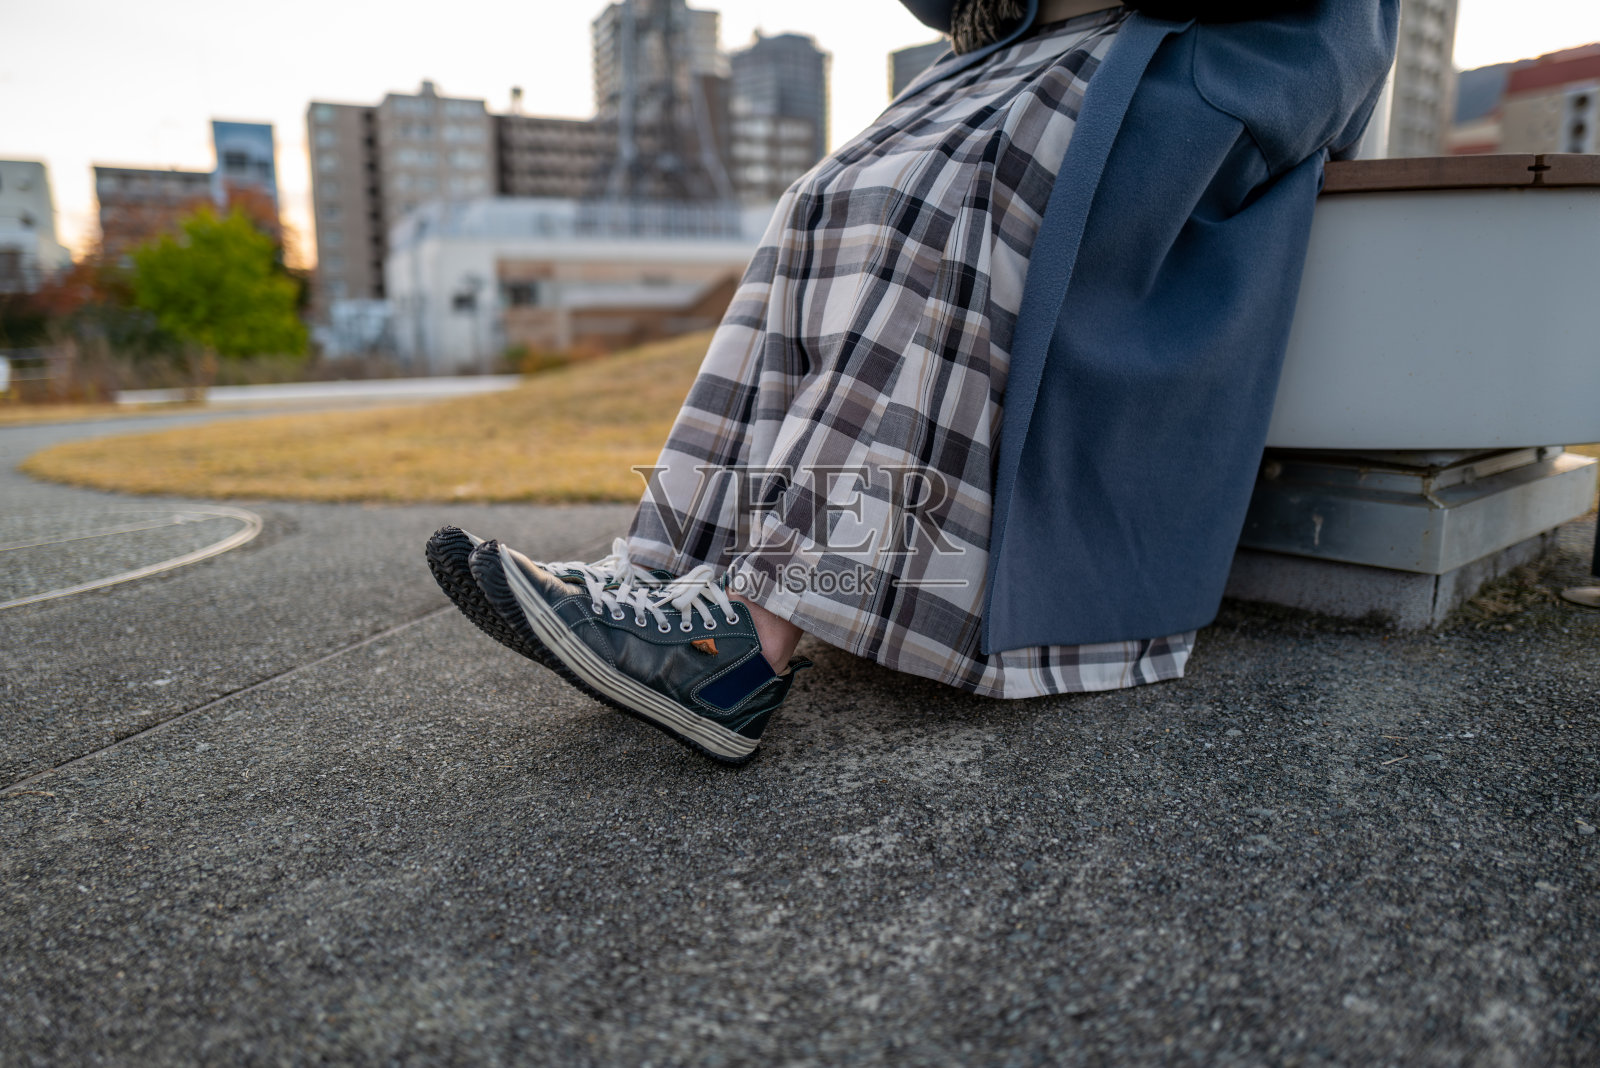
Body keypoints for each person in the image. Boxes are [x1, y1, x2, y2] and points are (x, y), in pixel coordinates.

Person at [428, 0, 1399, 764]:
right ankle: (667, 571)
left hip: (1194, 57)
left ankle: (744, 644)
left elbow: (1336, 41)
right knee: (825, 196)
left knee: (963, 191)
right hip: (1031, 46)